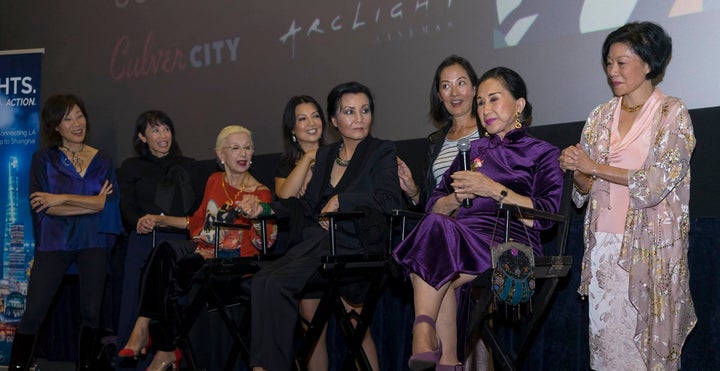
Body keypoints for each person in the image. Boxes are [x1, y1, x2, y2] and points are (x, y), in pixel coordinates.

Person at [393, 67, 564, 370]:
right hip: (461, 240)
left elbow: (547, 216)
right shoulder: (471, 151)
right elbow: (433, 206)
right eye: (481, 102)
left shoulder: (542, 152)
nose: (485, 109)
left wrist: (493, 189)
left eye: (494, 99)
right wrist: (453, 199)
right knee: (436, 234)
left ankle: (426, 334)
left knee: (437, 258)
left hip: (508, 243)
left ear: (519, 105)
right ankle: (435, 344)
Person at [559, 21, 696, 370]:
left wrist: (593, 166)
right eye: (608, 63)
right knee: (607, 349)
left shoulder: (672, 113)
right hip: (605, 246)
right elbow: (584, 190)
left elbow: (656, 182)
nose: (612, 71)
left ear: (648, 63)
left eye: (622, 62)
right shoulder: (599, 115)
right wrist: (577, 169)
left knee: (646, 352)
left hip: (650, 252)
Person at [239, 81, 402, 371]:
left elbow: (389, 200)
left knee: (278, 282)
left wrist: (343, 200)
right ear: (335, 121)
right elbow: (305, 206)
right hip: (319, 242)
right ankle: (262, 366)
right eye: (349, 112)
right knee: (263, 280)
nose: (359, 118)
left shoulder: (381, 150)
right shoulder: (325, 156)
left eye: (364, 110)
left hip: (356, 244)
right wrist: (263, 208)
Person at [118, 125, 277, 371]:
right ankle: (153, 334)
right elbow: (196, 222)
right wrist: (160, 219)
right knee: (163, 252)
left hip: (232, 265)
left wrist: (254, 217)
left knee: (169, 267)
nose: (242, 153)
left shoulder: (260, 194)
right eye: (235, 148)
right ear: (221, 155)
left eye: (247, 148)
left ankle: (159, 341)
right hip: (203, 255)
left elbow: (259, 244)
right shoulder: (214, 180)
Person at [9, 94, 123, 371]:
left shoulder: (103, 159)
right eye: (67, 118)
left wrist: (59, 198)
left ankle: (85, 366)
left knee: (91, 313)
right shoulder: (43, 159)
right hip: (54, 241)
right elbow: (43, 208)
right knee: (34, 312)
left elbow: (107, 207)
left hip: (93, 241)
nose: (76, 123)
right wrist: (91, 202)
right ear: (55, 126)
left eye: (79, 115)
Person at [116, 110, 204, 371]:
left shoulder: (189, 165)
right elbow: (127, 206)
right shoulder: (132, 167)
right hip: (144, 236)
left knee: (174, 297)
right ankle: (132, 359)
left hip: (179, 240)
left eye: (166, 129)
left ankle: (167, 351)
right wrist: (139, 221)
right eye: (155, 130)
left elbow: (198, 209)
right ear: (142, 137)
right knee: (135, 295)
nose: (163, 135)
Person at [397, 54, 482, 208]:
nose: (454, 93)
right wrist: (414, 192)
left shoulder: (490, 132)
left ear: (474, 89)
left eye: (461, 83)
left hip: (483, 223)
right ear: (439, 96)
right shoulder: (434, 142)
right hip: (443, 224)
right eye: (446, 86)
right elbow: (429, 205)